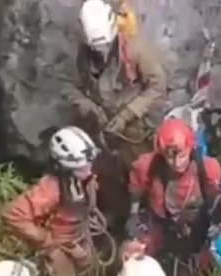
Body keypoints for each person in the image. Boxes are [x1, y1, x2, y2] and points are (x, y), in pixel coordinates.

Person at [1, 126, 106, 276]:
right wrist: (45, 240)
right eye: (82, 167)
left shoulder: (83, 179)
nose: (88, 170)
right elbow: (13, 214)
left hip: (80, 239)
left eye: (89, 164)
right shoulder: (51, 189)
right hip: (59, 247)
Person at [120, 118, 221, 276]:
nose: (176, 163)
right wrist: (134, 218)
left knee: (200, 271)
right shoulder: (147, 166)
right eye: (169, 157)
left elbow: (218, 203)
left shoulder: (208, 169)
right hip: (160, 224)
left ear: (190, 148)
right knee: (131, 254)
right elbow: (136, 193)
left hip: (197, 228)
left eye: (181, 156)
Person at [64, 0, 167, 163]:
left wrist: (126, 115)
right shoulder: (84, 56)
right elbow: (72, 87)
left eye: (105, 45)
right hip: (102, 128)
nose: (101, 51)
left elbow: (157, 87)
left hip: (136, 130)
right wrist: (90, 109)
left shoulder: (136, 51)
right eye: (96, 47)